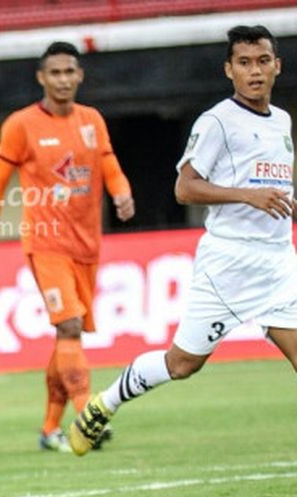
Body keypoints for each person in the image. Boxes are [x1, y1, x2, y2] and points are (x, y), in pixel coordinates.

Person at [70, 25, 296, 455]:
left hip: (279, 264)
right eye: (244, 63)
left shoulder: (281, 121)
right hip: (228, 265)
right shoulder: (217, 122)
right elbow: (185, 188)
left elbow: (270, 187)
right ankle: (105, 403)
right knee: (182, 364)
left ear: (277, 66)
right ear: (229, 70)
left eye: (263, 61)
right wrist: (247, 196)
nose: (255, 71)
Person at [0, 41, 135, 452]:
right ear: (41, 78)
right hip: (46, 242)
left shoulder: (91, 120)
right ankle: (87, 418)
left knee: (68, 339)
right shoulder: (21, 125)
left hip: (87, 244)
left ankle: (49, 429)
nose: (63, 80)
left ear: (79, 75)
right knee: (69, 326)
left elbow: (108, 162)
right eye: (55, 73)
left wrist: (121, 192)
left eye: (69, 72)